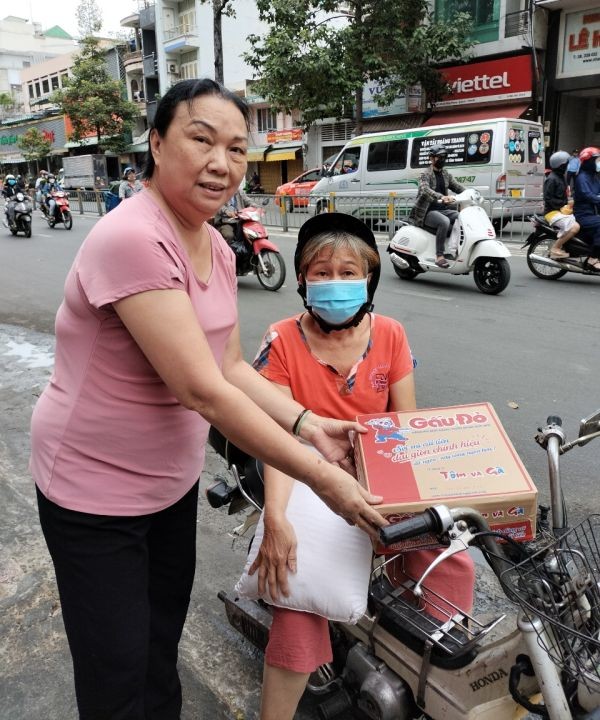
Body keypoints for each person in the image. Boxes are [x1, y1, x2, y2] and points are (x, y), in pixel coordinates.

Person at [29, 78, 386, 720]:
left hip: (168, 484)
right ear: (158, 144)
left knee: (158, 644)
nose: (222, 162)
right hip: (91, 492)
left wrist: (312, 426)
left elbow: (230, 368)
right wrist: (322, 480)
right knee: (115, 670)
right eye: (201, 140)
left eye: (237, 148)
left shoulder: (218, 247)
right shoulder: (131, 237)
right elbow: (200, 389)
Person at [250, 212, 476, 720]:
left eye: (349, 272)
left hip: (378, 476)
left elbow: (406, 429)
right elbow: (279, 440)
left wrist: (419, 507)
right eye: (322, 272)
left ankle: (432, 677)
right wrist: (277, 519)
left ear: (370, 279)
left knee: (446, 560)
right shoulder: (282, 340)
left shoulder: (391, 335)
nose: (336, 283)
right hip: (306, 480)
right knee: (297, 600)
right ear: (302, 279)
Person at [408, 144, 465, 268]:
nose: (442, 159)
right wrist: (441, 197)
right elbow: (425, 189)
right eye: (439, 157)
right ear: (432, 158)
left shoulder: (445, 174)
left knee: (461, 217)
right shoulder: (425, 173)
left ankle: (454, 249)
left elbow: (457, 187)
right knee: (444, 222)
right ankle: (439, 256)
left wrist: (471, 193)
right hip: (427, 212)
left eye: (444, 156)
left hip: (442, 210)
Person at [543, 150, 580, 259]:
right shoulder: (551, 179)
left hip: (560, 211)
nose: (567, 166)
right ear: (561, 165)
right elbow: (548, 199)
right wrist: (565, 203)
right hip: (551, 213)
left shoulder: (561, 177)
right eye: (566, 164)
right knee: (575, 227)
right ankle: (555, 248)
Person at [573, 146, 600, 271]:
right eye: (597, 160)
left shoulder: (594, 177)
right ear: (589, 162)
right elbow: (588, 195)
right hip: (583, 215)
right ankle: (592, 258)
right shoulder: (582, 177)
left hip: (593, 213)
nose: (599, 163)